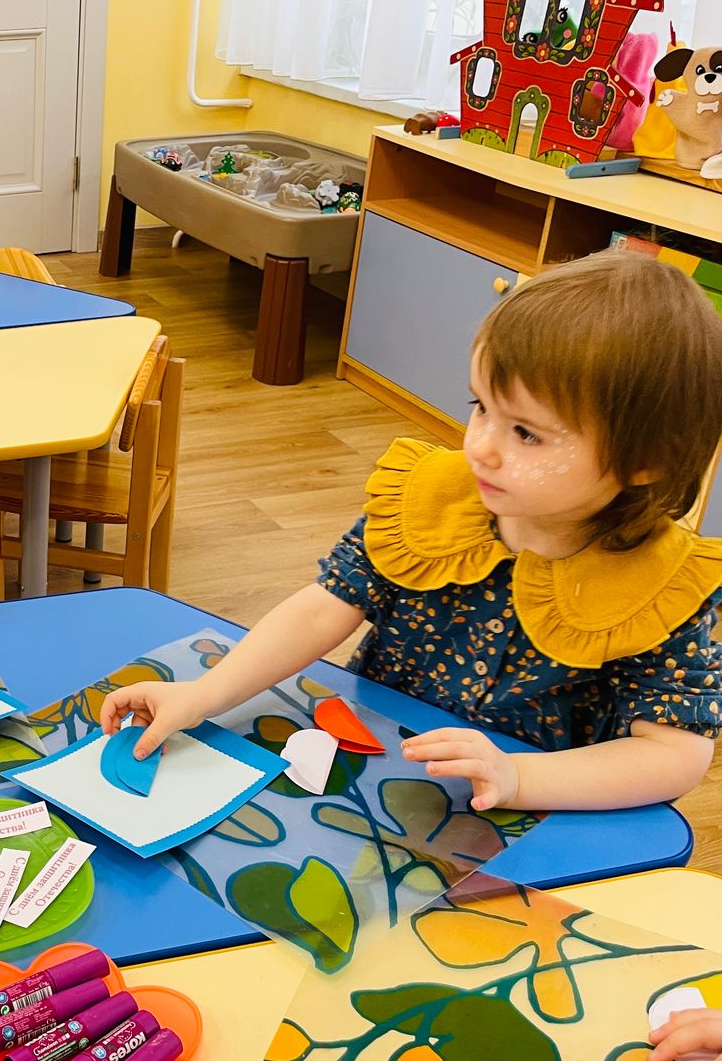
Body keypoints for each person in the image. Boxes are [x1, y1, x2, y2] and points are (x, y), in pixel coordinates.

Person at [101, 251, 722, 813]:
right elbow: (322, 608)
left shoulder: (664, 586)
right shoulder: (429, 499)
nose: (480, 447)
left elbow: (675, 755)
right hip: (373, 766)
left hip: (534, 813)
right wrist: (205, 694)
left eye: (526, 434)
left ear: (646, 460)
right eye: (481, 407)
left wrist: (520, 778)